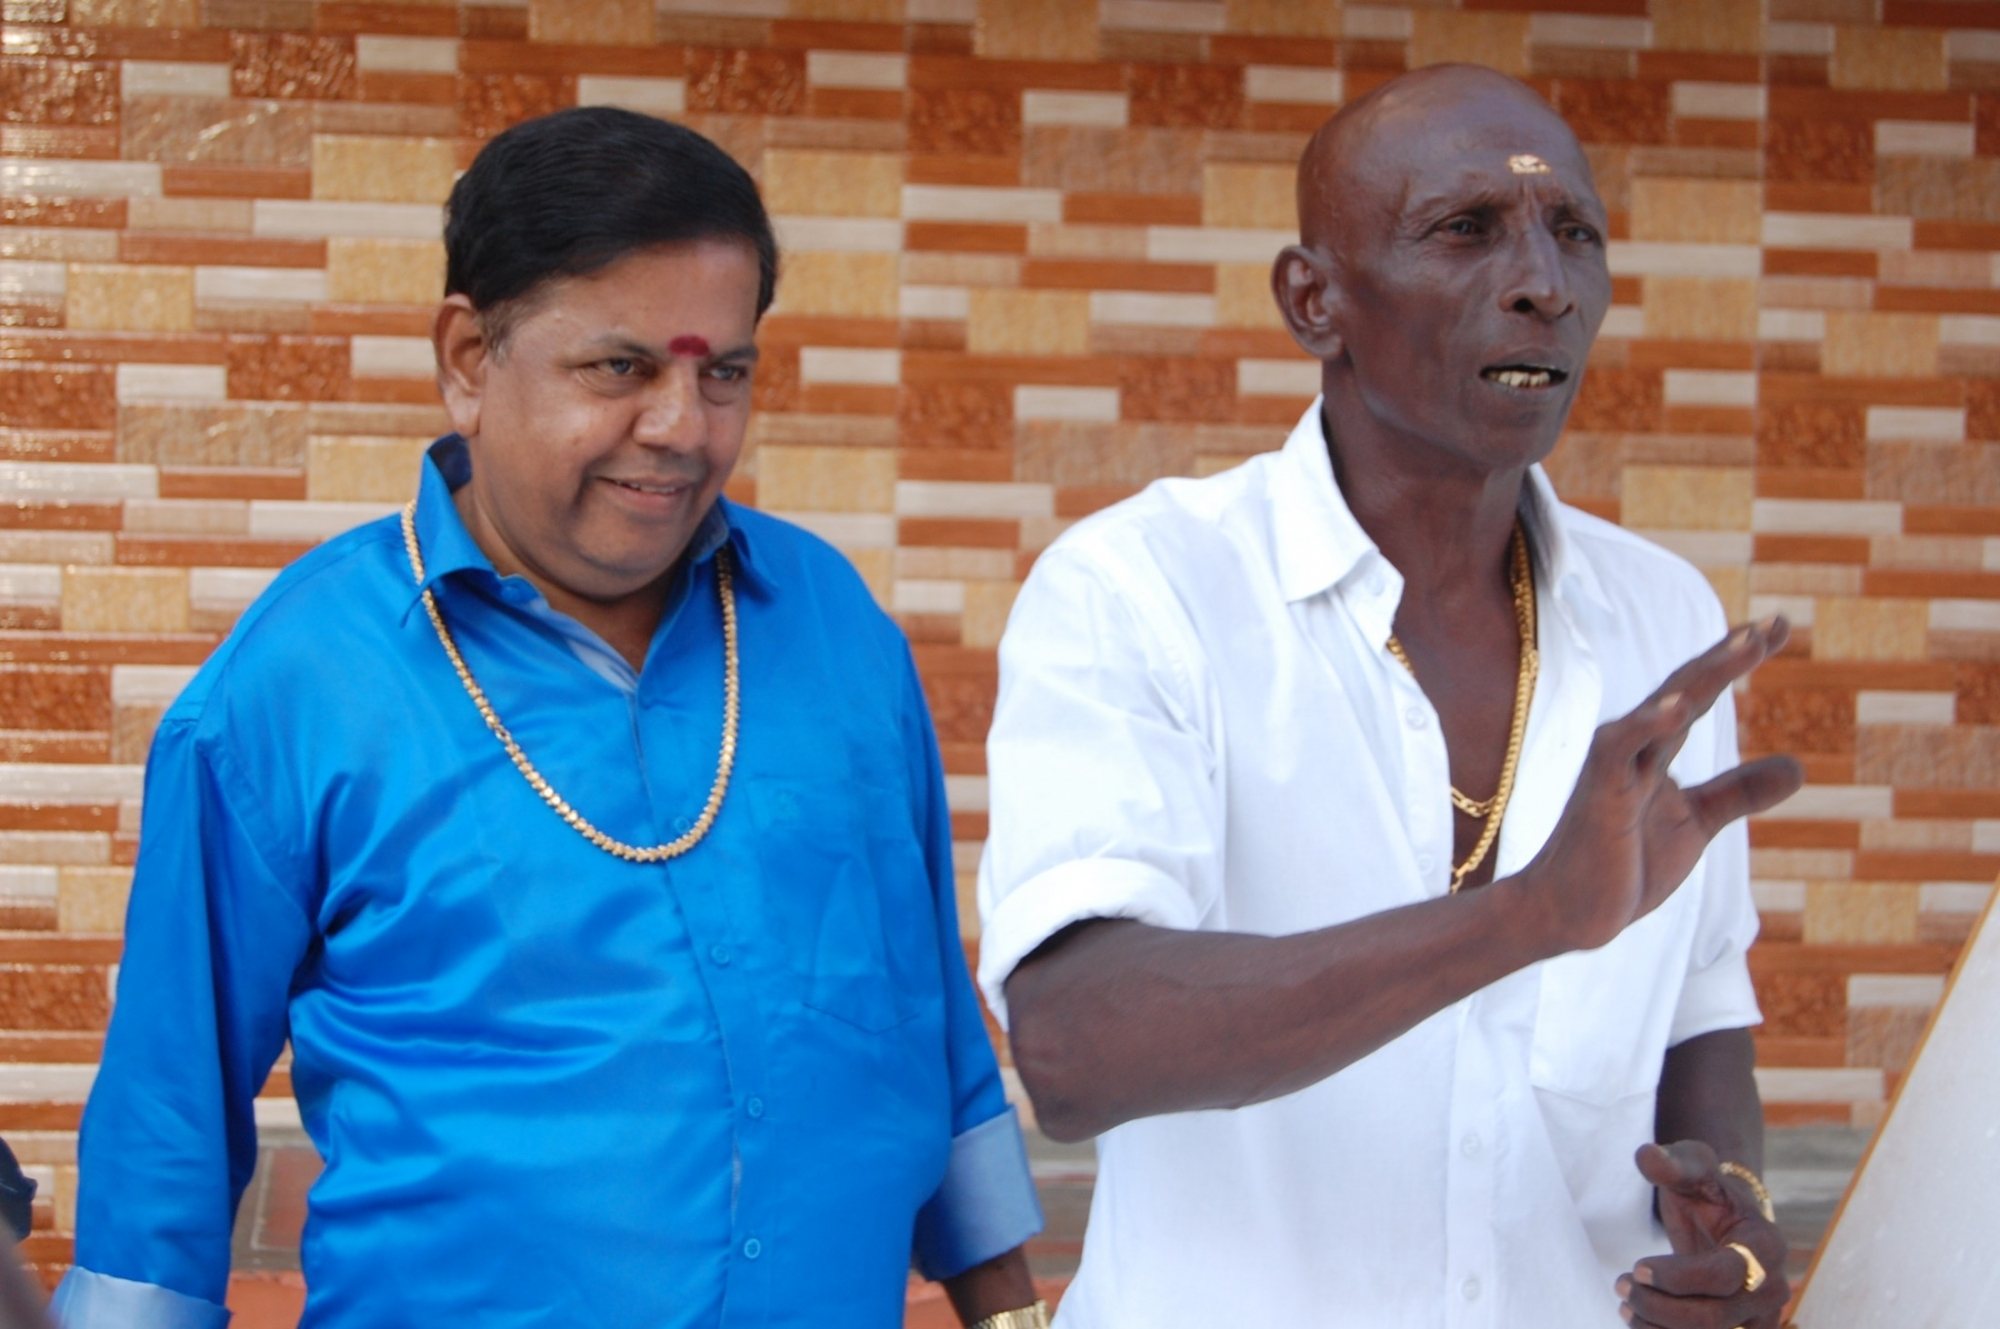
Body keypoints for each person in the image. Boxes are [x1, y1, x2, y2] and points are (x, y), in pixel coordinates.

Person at [55, 107, 1045, 1329]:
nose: (682, 427)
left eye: (723, 373)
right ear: (470, 359)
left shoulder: (831, 626)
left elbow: (923, 1007)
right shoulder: (294, 687)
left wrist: (1009, 1311)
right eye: (620, 368)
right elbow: (169, 1115)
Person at [977, 65, 1801, 1329]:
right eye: (1465, 229)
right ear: (1314, 300)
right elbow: (1076, 1047)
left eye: (1572, 233)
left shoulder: (1663, 621)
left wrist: (1728, 1212)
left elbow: (1698, 1012)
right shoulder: (1142, 589)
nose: (1543, 284)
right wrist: (1525, 917)